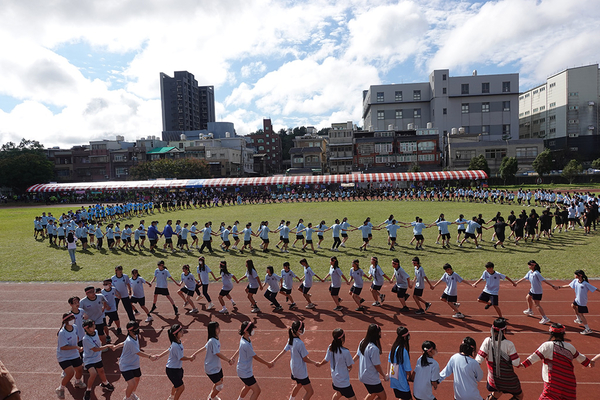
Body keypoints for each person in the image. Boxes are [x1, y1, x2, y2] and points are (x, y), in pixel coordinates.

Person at [519, 323, 592, 399]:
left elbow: (533, 358)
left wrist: (521, 364)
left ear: (551, 333)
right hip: (569, 384)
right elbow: (584, 360)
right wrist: (590, 362)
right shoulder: (570, 347)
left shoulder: (547, 346)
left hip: (553, 383)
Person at [476, 319, 522, 400]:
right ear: (504, 330)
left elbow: (478, 360)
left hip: (493, 380)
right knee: (519, 396)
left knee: (497, 392)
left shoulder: (487, 341)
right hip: (508, 379)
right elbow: (516, 363)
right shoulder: (509, 344)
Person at [272, 321, 318, 400]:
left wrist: (274, 361)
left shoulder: (291, 339)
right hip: (301, 371)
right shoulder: (300, 343)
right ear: (298, 330)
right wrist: (315, 363)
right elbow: (305, 358)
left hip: (294, 369)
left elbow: (283, 351)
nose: (303, 329)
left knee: (299, 384)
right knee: (310, 392)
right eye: (302, 328)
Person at [193, 321, 235, 400]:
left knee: (220, 380)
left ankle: (212, 395)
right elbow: (217, 353)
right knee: (220, 386)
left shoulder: (215, 339)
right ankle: (211, 398)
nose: (219, 329)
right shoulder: (212, 341)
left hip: (217, 366)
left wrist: (195, 354)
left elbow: (204, 347)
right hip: (211, 367)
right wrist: (228, 360)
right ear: (213, 329)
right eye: (217, 327)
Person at [154, 324, 196, 400]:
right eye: (180, 331)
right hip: (172, 370)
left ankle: (171, 397)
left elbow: (169, 349)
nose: (182, 332)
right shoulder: (175, 345)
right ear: (175, 334)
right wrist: (190, 358)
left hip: (178, 369)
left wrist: (160, 355)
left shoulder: (177, 342)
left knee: (177, 385)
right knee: (181, 388)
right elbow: (181, 358)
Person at [235, 321, 274, 400]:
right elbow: (255, 357)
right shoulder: (245, 344)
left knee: (247, 386)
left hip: (244, 369)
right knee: (257, 391)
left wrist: (233, 357)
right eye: (251, 329)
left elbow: (239, 349)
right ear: (246, 331)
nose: (253, 330)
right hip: (245, 371)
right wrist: (268, 364)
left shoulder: (245, 338)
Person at [117, 321, 156, 400]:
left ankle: (132, 394)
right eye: (135, 329)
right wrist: (149, 356)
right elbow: (138, 352)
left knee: (137, 379)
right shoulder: (130, 341)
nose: (137, 330)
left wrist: (117, 346)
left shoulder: (135, 336)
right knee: (131, 384)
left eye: (137, 328)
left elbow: (124, 342)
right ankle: (127, 398)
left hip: (134, 363)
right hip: (126, 365)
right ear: (129, 330)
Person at [316, 328, 356, 400]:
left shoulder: (331, 347)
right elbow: (349, 366)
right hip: (343, 382)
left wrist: (319, 364)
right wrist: (349, 369)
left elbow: (326, 360)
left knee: (339, 393)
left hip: (335, 380)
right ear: (342, 339)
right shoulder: (345, 352)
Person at [81, 319, 116, 400]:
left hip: (97, 357)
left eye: (93, 325)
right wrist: (107, 346)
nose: (93, 327)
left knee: (101, 371)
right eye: (91, 326)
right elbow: (95, 349)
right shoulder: (86, 338)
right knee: (93, 374)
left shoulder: (96, 332)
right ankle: (88, 391)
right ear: (86, 329)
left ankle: (105, 383)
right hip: (89, 359)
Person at [515, 260, 557, 325]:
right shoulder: (530, 272)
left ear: (533, 265)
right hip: (532, 290)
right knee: (528, 298)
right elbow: (524, 278)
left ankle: (545, 318)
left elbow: (544, 280)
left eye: (530, 265)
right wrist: (517, 283)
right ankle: (530, 310)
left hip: (537, 291)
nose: (528, 266)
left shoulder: (536, 273)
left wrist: (552, 286)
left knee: (537, 304)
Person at [353, 324, 389, 399]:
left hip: (363, 375)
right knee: (383, 397)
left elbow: (357, 355)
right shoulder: (374, 348)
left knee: (373, 393)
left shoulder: (363, 342)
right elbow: (377, 365)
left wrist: (350, 363)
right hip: (371, 377)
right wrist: (384, 376)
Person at [56, 313, 86, 399]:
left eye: (73, 318)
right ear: (65, 321)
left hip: (74, 353)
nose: (73, 320)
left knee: (79, 370)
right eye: (70, 319)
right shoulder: (62, 333)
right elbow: (63, 347)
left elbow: (76, 337)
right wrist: (76, 347)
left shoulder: (75, 327)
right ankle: (60, 388)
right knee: (70, 373)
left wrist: (79, 347)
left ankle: (77, 382)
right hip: (63, 356)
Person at [559, 269, 597, 334]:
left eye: (575, 274)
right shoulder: (575, 281)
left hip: (582, 301)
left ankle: (587, 329)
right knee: (573, 306)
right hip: (577, 299)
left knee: (581, 314)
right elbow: (569, 285)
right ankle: (578, 319)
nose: (574, 275)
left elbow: (595, 288)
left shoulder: (585, 284)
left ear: (580, 275)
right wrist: (560, 287)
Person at [388, 327, 412, 400]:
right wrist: (410, 377)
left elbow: (389, 361)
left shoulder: (394, 348)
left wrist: (388, 373)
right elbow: (407, 368)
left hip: (394, 379)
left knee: (401, 397)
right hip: (401, 379)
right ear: (404, 337)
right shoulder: (403, 351)